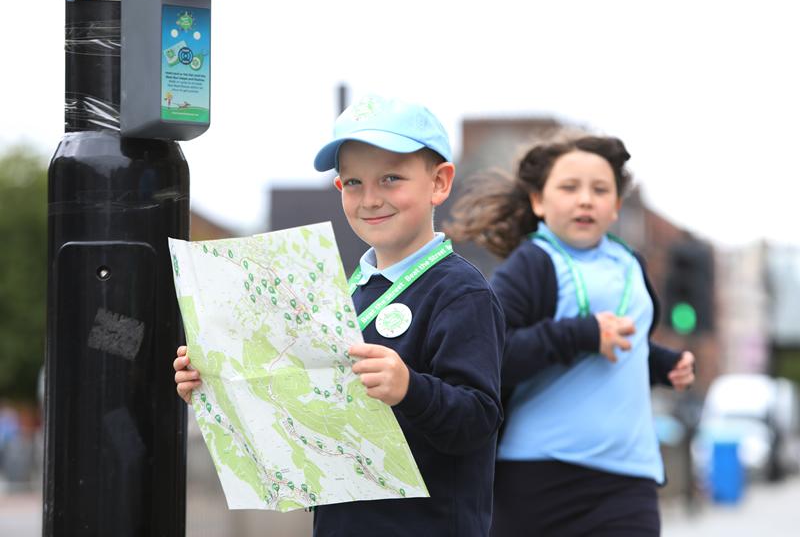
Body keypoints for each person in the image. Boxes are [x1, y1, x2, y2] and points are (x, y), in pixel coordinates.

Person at [174, 94, 506, 537]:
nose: (370, 199)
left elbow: (479, 420)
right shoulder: (344, 291)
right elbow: (302, 411)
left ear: (439, 183)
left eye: (391, 178)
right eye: (353, 182)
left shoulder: (461, 291)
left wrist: (411, 388)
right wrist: (216, 383)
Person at [447, 130, 695, 537]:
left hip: (629, 476)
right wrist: (581, 334)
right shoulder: (532, 264)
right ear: (538, 201)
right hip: (538, 475)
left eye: (600, 189)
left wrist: (665, 364)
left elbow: (626, 345)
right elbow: (492, 357)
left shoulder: (631, 263)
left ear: (615, 206)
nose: (585, 199)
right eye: (569, 187)